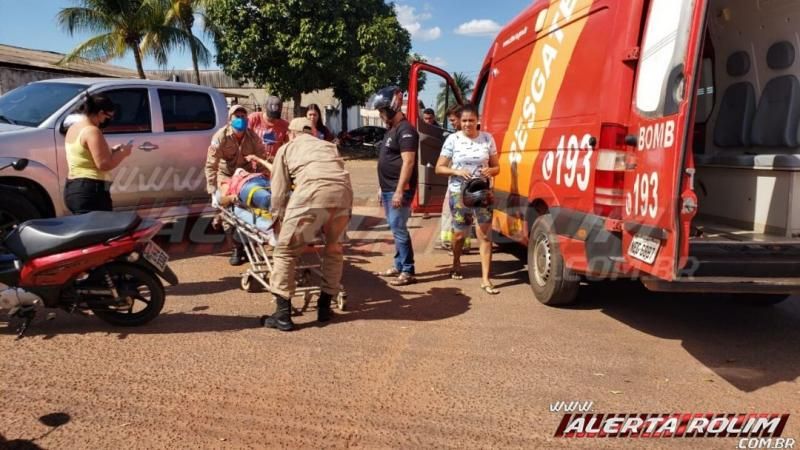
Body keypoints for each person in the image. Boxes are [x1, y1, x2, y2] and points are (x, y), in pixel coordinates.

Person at [261, 118, 353, 332]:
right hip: (343, 194)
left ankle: (282, 315)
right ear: (311, 133)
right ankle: (324, 307)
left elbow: (279, 191)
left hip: (312, 192)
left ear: (291, 133)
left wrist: (278, 220)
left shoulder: (286, 149)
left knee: (285, 252)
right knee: (333, 250)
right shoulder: (329, 146)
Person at [435, 103, 500, 295]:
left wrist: (491, 170)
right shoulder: (452, 140)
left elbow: (498, 167)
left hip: (482, 192)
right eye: (464, 121)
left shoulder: (487, 139)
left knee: (484, 236)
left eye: (471, 120)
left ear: (477, 120)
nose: (467, 124)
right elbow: (439, 168)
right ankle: (456, 262)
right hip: (459, 192)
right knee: (459, 235)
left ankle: (486, 280)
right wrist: (456, 170)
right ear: (459, 122)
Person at [369, 86, 418, 286]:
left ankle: (408, 270)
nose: (380, 115)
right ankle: (398, 265)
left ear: (391, 108)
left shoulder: (406, 130)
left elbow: (408, 162)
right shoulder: (392, 129)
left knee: (399, 228)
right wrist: (383, 187)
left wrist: (399, 190)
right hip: (388, 188)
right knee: (395, 227)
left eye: (382, 111)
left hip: (399, 190)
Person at [206, 104, 267, 265]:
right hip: (225, 175)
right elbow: (211, 164)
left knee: (250, 209)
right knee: (228, 210)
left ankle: (251, 245)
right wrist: (212, 189)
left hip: (244, 177)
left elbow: (261, 157)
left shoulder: (253, 136)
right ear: (229, 120)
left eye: (243, 117)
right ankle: (236, 247)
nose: (240, 120)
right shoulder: (221, 136)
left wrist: (261, 178)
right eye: (237, 117)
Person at [64, 93, 132, 214]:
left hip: (73, 188)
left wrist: (111, 151)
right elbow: (104, 164)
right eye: (108, 117)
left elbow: (84, 155)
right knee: (101, 230)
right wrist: (123, 153)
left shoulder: (73, 128)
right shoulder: (92, 131)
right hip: (91, 190)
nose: (107, 121)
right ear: (100, 113)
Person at [437, 105, 471, 253]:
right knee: (454, 214)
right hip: (457, 183)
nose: (452, 123)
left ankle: (457, 244)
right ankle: (454, 242)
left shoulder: (466, 138)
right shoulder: (455, 138)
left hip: (462, 185)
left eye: (453, 120)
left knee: (457, 215)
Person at [248, 95, 289, 162]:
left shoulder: (285, 125)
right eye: (270, 116)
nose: (273, 119)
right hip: (253, 164)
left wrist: (277, 159)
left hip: (272, 164)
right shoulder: (254, 118)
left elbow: (288, 146)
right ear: (265, 109)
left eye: (275, 116)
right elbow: (244, 138)